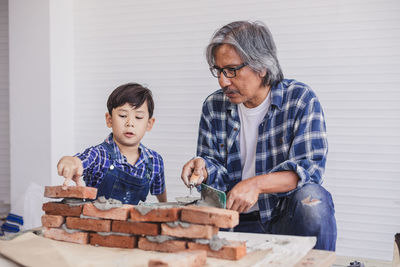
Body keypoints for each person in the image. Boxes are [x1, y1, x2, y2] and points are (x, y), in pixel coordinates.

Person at [181, 21, 336, 250]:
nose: (223, 81)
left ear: (261, 67)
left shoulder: (300, 99)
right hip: (232, 221)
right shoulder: (214, 106)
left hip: (281, 218)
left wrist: (256, 185)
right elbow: (217, 174)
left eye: (231, 70)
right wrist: (203, 167)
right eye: (219, 71)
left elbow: (309, 170)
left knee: (313, 202)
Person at [58, 82, 167, 204]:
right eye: (122, 115)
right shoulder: (99, 155)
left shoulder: (155, 161)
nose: (130, 123)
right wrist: (69, 162)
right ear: (109, 120)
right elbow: (78, 161)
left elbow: (160, 193)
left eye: (138, 117)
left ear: (149, 124)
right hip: (96, 222)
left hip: (134, 222)